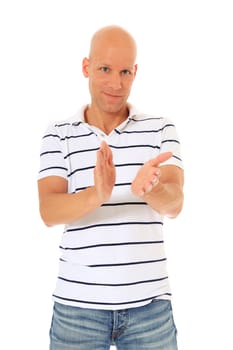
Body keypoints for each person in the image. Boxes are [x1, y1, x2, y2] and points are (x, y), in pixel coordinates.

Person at [38, 24, 184, 350]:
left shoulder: (160, 129)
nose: (116, 84)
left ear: (135, 72)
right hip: (77, 309)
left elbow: (175, 204)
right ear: (86, 67)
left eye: (125, 72)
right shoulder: (58, 133)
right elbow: (48, 211)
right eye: (105, 69)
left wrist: (151, 190)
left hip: (150, 309)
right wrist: (97, 195)